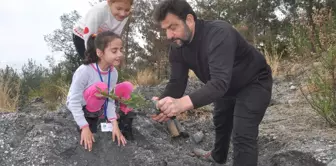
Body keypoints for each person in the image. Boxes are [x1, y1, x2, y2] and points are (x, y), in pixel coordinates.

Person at [151, 0, 273, 165]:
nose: (169, 36)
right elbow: (176, 82)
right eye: (165, 30)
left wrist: (180, 104)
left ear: (189, 20)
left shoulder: (218, 33)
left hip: (254, 81)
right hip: (225, 87)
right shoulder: (177, 47)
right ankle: (218, 156)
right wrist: (163, 102)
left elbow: (219, 83)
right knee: (221, 120)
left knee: (243, 133)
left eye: (173, 27)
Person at [66, 31, 128, 152]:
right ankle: (92, 116)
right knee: (100, 86)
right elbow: (74, 101)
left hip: (98, 104)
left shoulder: (113, 72)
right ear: (100, 53)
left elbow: (109, 98)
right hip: (81, 105)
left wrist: (114, 123)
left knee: (126, 87)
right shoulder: (84, 71)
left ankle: (103, 114)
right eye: (114, 51)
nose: (120, 54)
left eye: (121, 49)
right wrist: (84, 127)